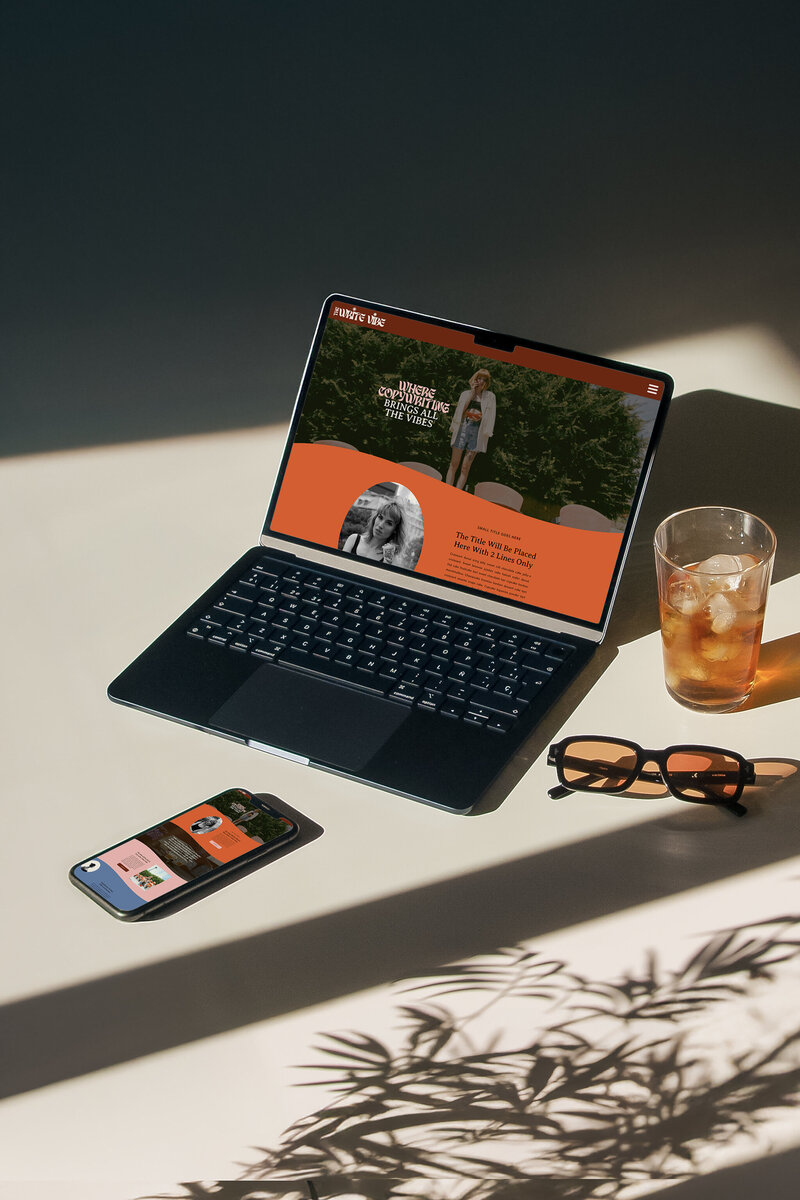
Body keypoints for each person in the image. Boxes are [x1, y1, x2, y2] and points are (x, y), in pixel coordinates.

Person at [445, 369, 496, 489]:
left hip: (477, 433)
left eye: (485, 379)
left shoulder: (490, 397)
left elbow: (491, 416)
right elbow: (459, 412)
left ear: (487, 382)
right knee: (454, 463)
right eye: (479, 378)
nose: (481, 381)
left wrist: (487, 432)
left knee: (465, 467)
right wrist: (473, 393)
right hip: (462, 428)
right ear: (475, 378)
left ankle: (457, 493)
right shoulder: (466, 394)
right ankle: (446, 490)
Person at [342, 499, 405, 565]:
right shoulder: (354, 540)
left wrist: (386, 565)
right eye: (380, 517)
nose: (380, 525)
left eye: (389, 523)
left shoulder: (392, 559)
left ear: (395, 530)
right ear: (375, 518)